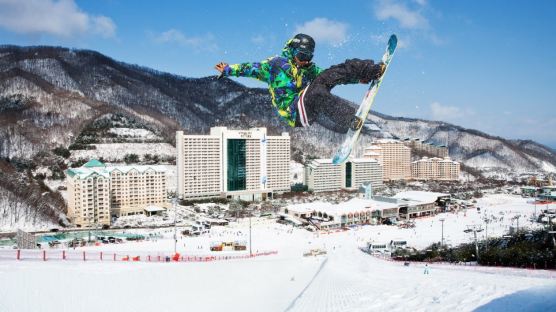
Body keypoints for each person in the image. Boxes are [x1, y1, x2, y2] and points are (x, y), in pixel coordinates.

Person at [215, 33, 386, 133]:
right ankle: (350, 118)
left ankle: (370, 71)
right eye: (303, 56)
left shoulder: (308, 69)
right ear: (292, 51)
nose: (305, 61)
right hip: (295, 111)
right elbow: (250, 68)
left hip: (311, 107)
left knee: (333, 71)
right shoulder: (276, 64)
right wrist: (229, 69)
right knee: (318, 92)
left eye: (309, 57)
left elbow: (333, 77)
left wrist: (357, 79)